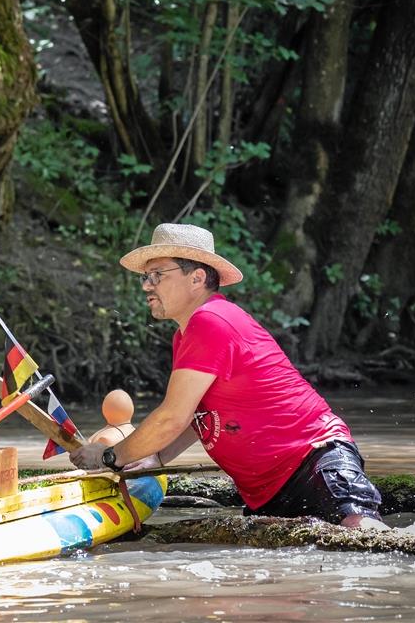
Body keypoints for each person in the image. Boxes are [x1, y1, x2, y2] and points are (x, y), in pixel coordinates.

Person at [69, 223, 385, 530]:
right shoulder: (186, 334)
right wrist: (156, 458)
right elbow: (198, 414)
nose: (146, 285)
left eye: (157, 275)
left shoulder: (211, 321)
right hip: (268, 491)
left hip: (313, 460)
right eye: (146, 276)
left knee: (366, 536)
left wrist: (110, 455)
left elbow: (171, 418)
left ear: (197, 278)